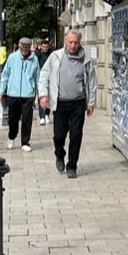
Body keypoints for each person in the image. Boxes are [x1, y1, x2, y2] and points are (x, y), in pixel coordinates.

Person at [39, 31, 98, 179]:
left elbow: (91, 81)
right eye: (70, 42)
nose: (73, 45)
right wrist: (43, 94)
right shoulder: (56, 57)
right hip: (60, 102)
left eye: (76, 42)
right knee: (59, 136)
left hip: (78, 102)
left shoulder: (86, 59)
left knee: (76, 135)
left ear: (80, 42)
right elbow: (44, 74)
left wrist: (91, 102)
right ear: (65, 42)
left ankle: (72, 165)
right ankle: (60, 154)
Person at [0, 37, 42, 151]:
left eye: (26, 48)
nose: (24, 50)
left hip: (28, 94)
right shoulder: (12, 58)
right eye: (22, 48)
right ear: (19, 47)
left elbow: (38, 77)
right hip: (13, 93)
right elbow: (5, 75)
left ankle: (25, 142)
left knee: (27, 119)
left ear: (30, 48)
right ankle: (11, 136)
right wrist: (1, 91)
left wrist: (40, 94)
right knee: (13, 118)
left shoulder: (34, 59)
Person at [35, 38, 54, 125]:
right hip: (41, 79)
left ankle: (47, 114)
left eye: (46, 47)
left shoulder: (52, 54)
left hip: (50, 78)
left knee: (49, 97)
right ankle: (42, 116)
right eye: (43, 47)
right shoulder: (38, 55)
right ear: (41, 47)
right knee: (42, 96)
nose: (45, 48)